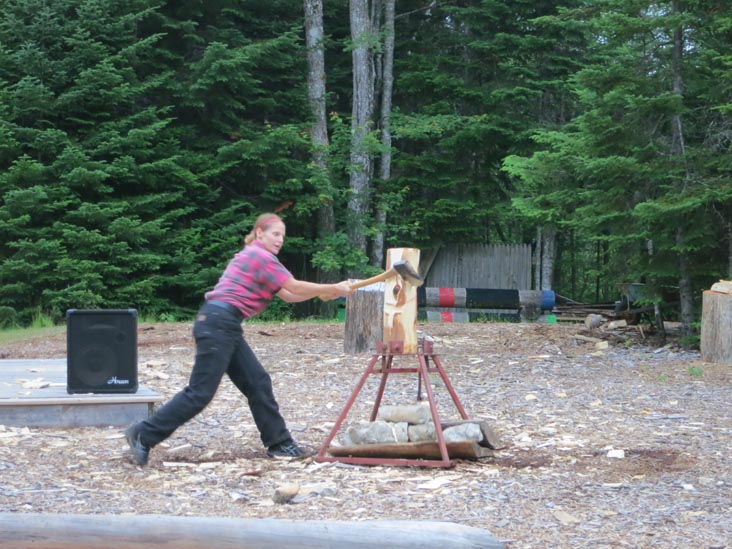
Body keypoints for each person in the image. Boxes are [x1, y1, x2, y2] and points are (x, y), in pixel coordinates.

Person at [125, 213, 353, 466]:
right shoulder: (260, 256)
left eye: (283, 236)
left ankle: (280, 444)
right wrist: (332, 287)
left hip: (224, 324)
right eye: (275, 234)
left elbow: (288, 294)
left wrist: (328, 292)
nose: (280, 240)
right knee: (200, 393)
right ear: (259, 233)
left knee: (257, 382)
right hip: (218, 323)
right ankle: (143, 434)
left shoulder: (257, 257)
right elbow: (295, 286)